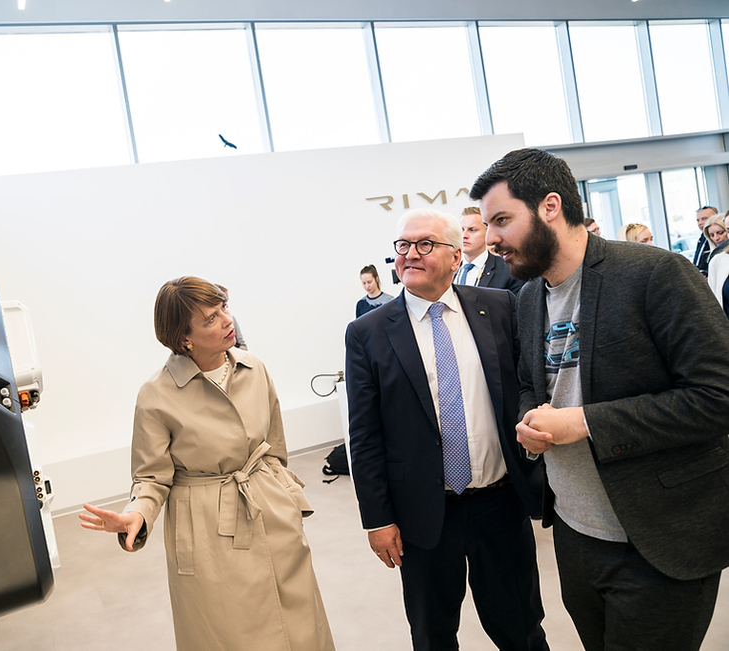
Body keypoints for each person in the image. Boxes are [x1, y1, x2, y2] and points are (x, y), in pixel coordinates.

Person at [470, 148, 729, 651]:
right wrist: (530, 419)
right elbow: (531, 385)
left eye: (502, 220)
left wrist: (587, 422)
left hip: (658, 537)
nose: (492, 239)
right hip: (575, 535)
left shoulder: (656, 274)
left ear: (550, 207)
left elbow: (717, 396)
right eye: (487, 224)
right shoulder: (527, 299)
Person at [80, 277, 334, 650]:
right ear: (185, 337)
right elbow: (151, 477)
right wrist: (137, 515)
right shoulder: (156, 396)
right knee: (233, 634)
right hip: (207, 533)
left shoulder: (254, 368)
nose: (227, 320)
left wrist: (287, 496)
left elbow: (275, 446)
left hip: (271, 513)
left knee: (300, 628)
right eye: (211, 318)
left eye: (224, 309)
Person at [345, 208, 548, 651]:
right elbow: (364, 435)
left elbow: (526, 385)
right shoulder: (368, 332)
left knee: (521, 627)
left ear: (456, 256)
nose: (409, 255)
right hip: (422, 513)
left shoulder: (497, 308)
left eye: (425, 245)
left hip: (499, 503)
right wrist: (378, 519)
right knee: (433, 635)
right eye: (402, 246)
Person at [458, 206, 524, 293]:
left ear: (487, 232)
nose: (464, 235)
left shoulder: (508, 270)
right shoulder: (449, 270)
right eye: (462, 230)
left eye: (472, 230)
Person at [214, 283, 247, 349]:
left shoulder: (232, 319)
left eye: (226, 301)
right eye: (223, 302)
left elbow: (242, 345)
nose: (229, 322)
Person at [694, 205, 719, 275]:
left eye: (704, 218)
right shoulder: (702, 239)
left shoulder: (720, 239)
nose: (700, 223)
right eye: (698, 220)